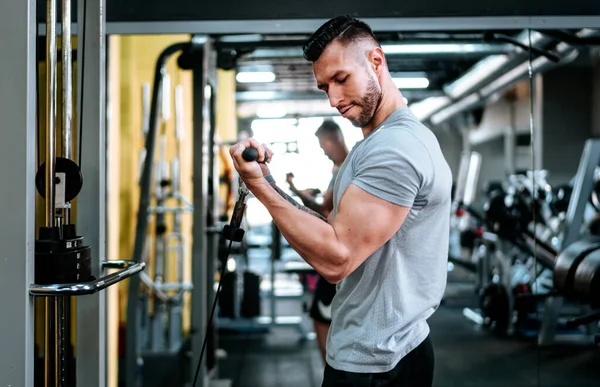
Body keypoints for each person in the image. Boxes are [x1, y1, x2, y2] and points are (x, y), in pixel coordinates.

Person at [229, 15, 452, 387]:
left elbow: (337, 258)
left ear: (375, 62)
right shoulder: (377, 144)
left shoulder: (395, 149)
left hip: (377, 362)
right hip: (383, 349)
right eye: (324, 87)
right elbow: (334, 223)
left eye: (341, 79)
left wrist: (261, 190)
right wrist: (265, 180)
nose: (333, 99)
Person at [286, 119, 349, 364]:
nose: (323, 151)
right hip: (337, 253)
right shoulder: (338, 169)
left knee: (322, 317)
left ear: (333, 139)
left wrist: (293, 189)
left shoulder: (345, 166)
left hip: (339, 256)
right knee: (325, 316)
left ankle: (332, 373)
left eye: (323, 145)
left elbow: (324, 208)